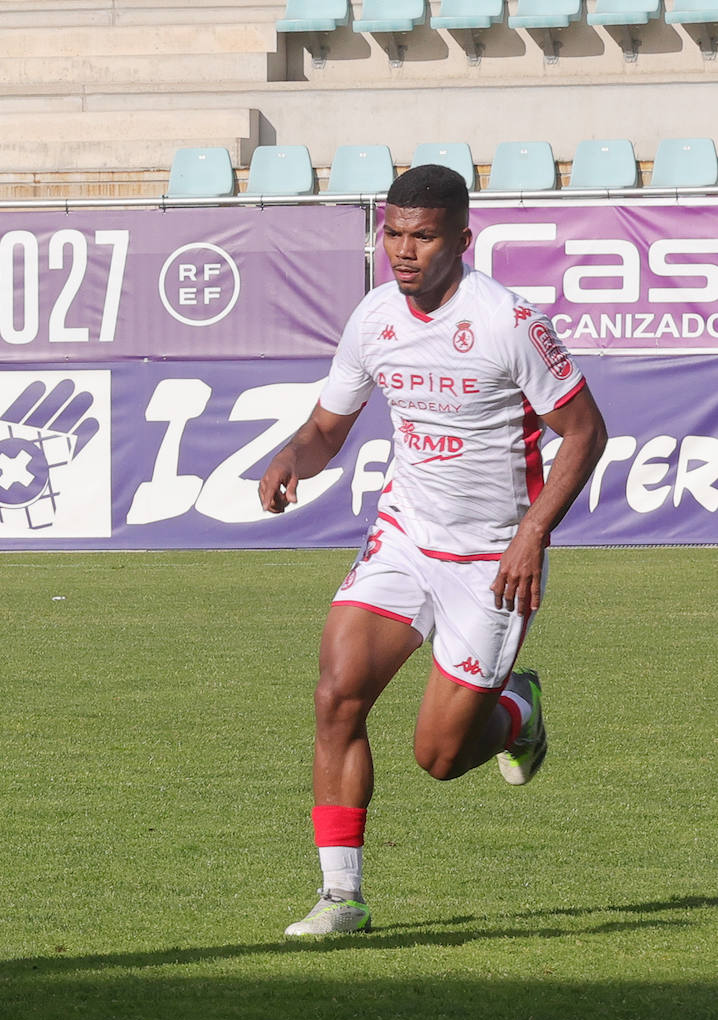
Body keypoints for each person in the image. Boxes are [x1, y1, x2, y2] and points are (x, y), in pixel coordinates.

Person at [258, 164, 607, 937]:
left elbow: (586, 432)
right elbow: (326, 428)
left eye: (422, 236)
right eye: (393, 234)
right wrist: (291, 457)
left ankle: (518, 710)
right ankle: (341, 896)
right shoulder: (374, 317)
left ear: (462, 239)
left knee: (441, 757)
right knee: (336, 693)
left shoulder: (507, 321)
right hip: (405, 539)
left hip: (492, 562)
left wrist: (531, 534)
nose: (404, 251)